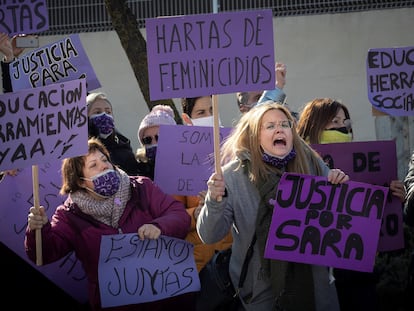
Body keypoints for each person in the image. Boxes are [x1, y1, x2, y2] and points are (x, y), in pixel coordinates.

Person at [197, 102, 349, 310]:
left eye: (284, 124)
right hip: (261, 292)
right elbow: (210, 235)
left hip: (315, 287)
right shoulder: (231, 176)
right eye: (269, 126)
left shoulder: (311, 163)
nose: (279, 129)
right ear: (254, 136)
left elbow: (334, 224)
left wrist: (335, 183)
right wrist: (214, 201)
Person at [25, 137, 193, 311]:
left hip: (169, 298)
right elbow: (44, 254)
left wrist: (159, 227)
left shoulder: (142, 188)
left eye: (104, 160)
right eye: (93, 165)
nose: (104, 166)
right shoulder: (69, 216)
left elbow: (179, 215)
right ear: (80, 181)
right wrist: (38, 230)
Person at [296, 97, 407, 311]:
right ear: (315, 124)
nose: (342, 128)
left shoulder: (365, 160)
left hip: (357, 265)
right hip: (316, 270)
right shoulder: (297, 163)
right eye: (334, 122)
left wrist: (395, 199)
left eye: (344, 123)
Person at [87, 92, 142, 176]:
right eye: (97, 112)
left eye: (108, 112)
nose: (104, 115)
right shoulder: (82, 151)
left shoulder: (123, 145)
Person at [136, 105, 177, 180]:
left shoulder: (190, 160)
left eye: (159, 137)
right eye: (147, 140)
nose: (154, 142)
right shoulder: (140, 170)